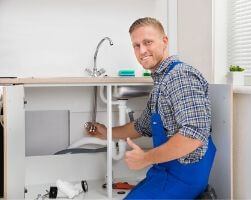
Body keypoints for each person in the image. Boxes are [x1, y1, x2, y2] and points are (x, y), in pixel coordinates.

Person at [86, 17, 216, 199]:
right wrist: (107, 132)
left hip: (184, 177)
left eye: (148, 42)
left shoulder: (180, 76)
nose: (142, 50)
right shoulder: (161, 83)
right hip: (165, 171)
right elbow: (141, 126)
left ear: (165, 41)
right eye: (136, 45)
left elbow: (194, 135)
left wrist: (146, 158)